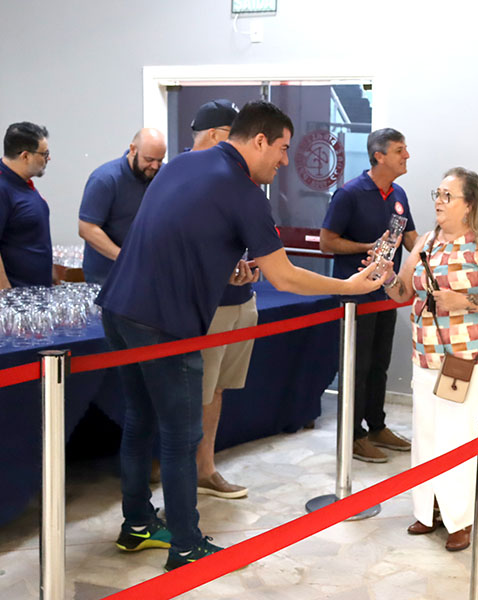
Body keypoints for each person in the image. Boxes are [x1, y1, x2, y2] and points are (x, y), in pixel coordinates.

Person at [97, 101, 387, 572]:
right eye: (283, 148)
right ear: (258, 140)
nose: (285, 160)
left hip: (118, 308)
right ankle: (186, 545)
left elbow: (174, 234)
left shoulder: (184, 164)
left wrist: (222, 265)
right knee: (182, 436)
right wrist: (349, 287)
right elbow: (285, 277)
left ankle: (137, 525)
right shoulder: (244, 191)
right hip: (165, 324)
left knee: (140, 419)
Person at [382, 166, 478, 552]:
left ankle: (461, 518)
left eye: (447, 196)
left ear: (469, 204)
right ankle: (429, 509)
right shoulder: (425, 241)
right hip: (427, 357)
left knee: (459, 436)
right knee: (426, 435)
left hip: (468, 360)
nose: (438, 202)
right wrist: (386, 276)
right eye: (437, 195)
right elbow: (403, 292)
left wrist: (463, 300)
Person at [320, 128, 418, 463]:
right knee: (357, 367)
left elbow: (410, 239)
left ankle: (376, 426)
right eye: (400, 150)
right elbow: (327, 241)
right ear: (379, 156)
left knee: (379, 364)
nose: (407, 156)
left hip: (386, 294)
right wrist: (367, 247)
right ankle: (353, 435)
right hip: (355, 299)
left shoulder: (398, 194)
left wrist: (439, 248)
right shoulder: (349, 194)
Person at [189, 99, 257, 499]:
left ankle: (205, 469)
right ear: (216, 135)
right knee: (196, 391)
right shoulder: (183, 175)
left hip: (239, 297)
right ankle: (181, 474)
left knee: (216, 390)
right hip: (204, 305)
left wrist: (250, 263)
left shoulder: (237, 178)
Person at [78, 128, 166, 284]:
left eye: (160, 160)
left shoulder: (163, 174)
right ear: (133, 150)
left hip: (149, 271)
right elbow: (87, 229)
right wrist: (126, 259)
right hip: (107, 274)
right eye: (149, 159)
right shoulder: (105, 179)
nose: (155, 166)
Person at [0, 122, 52, 289]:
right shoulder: (3, 188)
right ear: (25, 156)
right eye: (44, 154)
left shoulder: (23, 183)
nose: (48, 158)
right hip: (17, 296)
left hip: (36, 292)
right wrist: (6, 294)